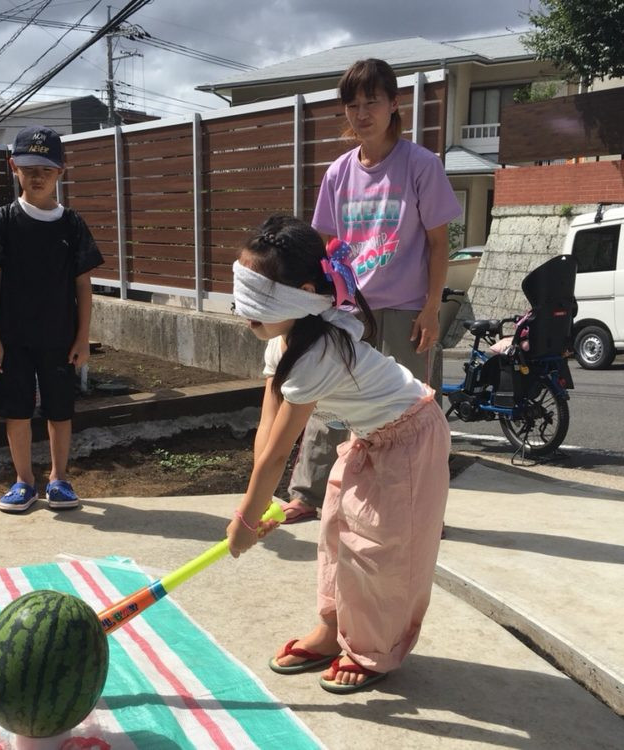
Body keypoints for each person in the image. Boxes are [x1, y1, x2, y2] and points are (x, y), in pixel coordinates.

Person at [227, 214, 450, 694]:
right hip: (371, 438)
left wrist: (244, 524)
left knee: (380, 551)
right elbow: (265, 435)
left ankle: (374, 650)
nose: (244, 312)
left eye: (258, 300)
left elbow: (278, 453)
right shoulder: (285, 336)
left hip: (411, 437)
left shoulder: (320, 353)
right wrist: (258, 504)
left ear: (304, 293)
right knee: (335, 533)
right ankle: (332, 631)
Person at [281, 57, 462, 523]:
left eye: (372, 102)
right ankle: (307, 494)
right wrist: (321, 305)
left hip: (405, 310)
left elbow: (440, 244)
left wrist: (430, 310)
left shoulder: (421, 165)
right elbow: (325, 245)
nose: (362, 113)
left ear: (393, 104)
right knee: (328, 397)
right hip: (348, 310)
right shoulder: (339, 173)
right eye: (353, 104)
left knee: (415, 411)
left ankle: (422, 512)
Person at [0, 125, 104, 513]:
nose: (37, 177)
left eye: (46, 170)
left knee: (60, 409)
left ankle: (59, 478)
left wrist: (83, 337)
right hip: (13, 336)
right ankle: (23, 481)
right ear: (12, 166)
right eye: (29, 168)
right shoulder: (2, 220)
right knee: (16, 410)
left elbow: (84, 286)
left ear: (60, 172)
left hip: (60, 336)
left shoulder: (72, 225)